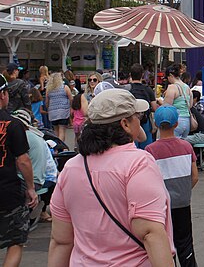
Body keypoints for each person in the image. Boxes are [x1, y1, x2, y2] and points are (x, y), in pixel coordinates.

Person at [47, 89, 173, 266]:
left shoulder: (72, 167)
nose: (140, 120)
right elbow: (150, 233)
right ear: (125, 124)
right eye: (137, 116)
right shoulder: (138, 163)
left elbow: (61, 241)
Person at [146, 105, 199, 267]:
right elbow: (194, 176)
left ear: (156, 124)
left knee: (165, 243)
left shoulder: (150, 150)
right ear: (176, 124)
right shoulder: (186, 146)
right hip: (183, 202)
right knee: (185, 242)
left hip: (161, 206)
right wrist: (183, 190)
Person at [0, 80, 37, 267]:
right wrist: (31, 188)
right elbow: (23, 160)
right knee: (15, 240)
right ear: (3, 95)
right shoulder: (13, 124)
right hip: (8, 192)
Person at [128, 63, 158, 149]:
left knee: (132, 146)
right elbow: (154, 107)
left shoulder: (127, 89)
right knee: (146, 147)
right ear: (142, 75)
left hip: (131, 121)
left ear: (130, 75)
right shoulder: (148, 89)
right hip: (145, 120)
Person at [163, 64, 193, 138]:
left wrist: (160, 102)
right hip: (187, 121)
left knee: (172, 146)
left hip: (176, 121)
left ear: (170, 75)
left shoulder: (172, 87)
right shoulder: (187, 87)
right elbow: (190, 105)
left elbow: (166, 107)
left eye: (167, 78)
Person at [45, 72, 70, 142]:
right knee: (62, 130)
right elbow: (71, 98)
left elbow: (47, 102)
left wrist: (48, 108)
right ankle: (61, 146)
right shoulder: (65, 87)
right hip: (63, 111)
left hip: (52, 112)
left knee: (56, 130)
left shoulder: (49, 89)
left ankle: (56, 146)